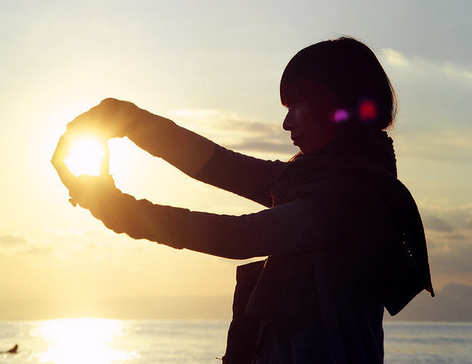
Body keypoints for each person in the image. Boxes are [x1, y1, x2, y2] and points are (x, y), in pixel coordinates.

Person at [52, 37, 434, 363]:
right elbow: (216, 164)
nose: (287, 124)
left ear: (333, 104)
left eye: (296, 106)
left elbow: (234, 237)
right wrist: (127, 120)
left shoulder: (351, 198)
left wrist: (114, 208)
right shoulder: (315, 179)